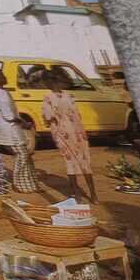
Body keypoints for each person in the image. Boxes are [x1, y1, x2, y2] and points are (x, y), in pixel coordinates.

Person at [41, 66, 98, 203]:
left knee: (76, 163)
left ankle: (84, 194)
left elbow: (50, 117)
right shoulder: (60, 97)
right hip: (71, 134)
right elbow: (73, 115)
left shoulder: (57, 97)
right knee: (79, 163)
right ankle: (87, 195)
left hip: (70, 134)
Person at [0, 66, 38, 192]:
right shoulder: (1, 94)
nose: (3, 77)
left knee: (25, 156)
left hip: (13, 129)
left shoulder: (2, 92)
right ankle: (19, 184)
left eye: (2, 75)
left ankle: (30, 185)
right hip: (10, 130)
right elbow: (9, 116)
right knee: (22, 155)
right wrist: (24, 124)